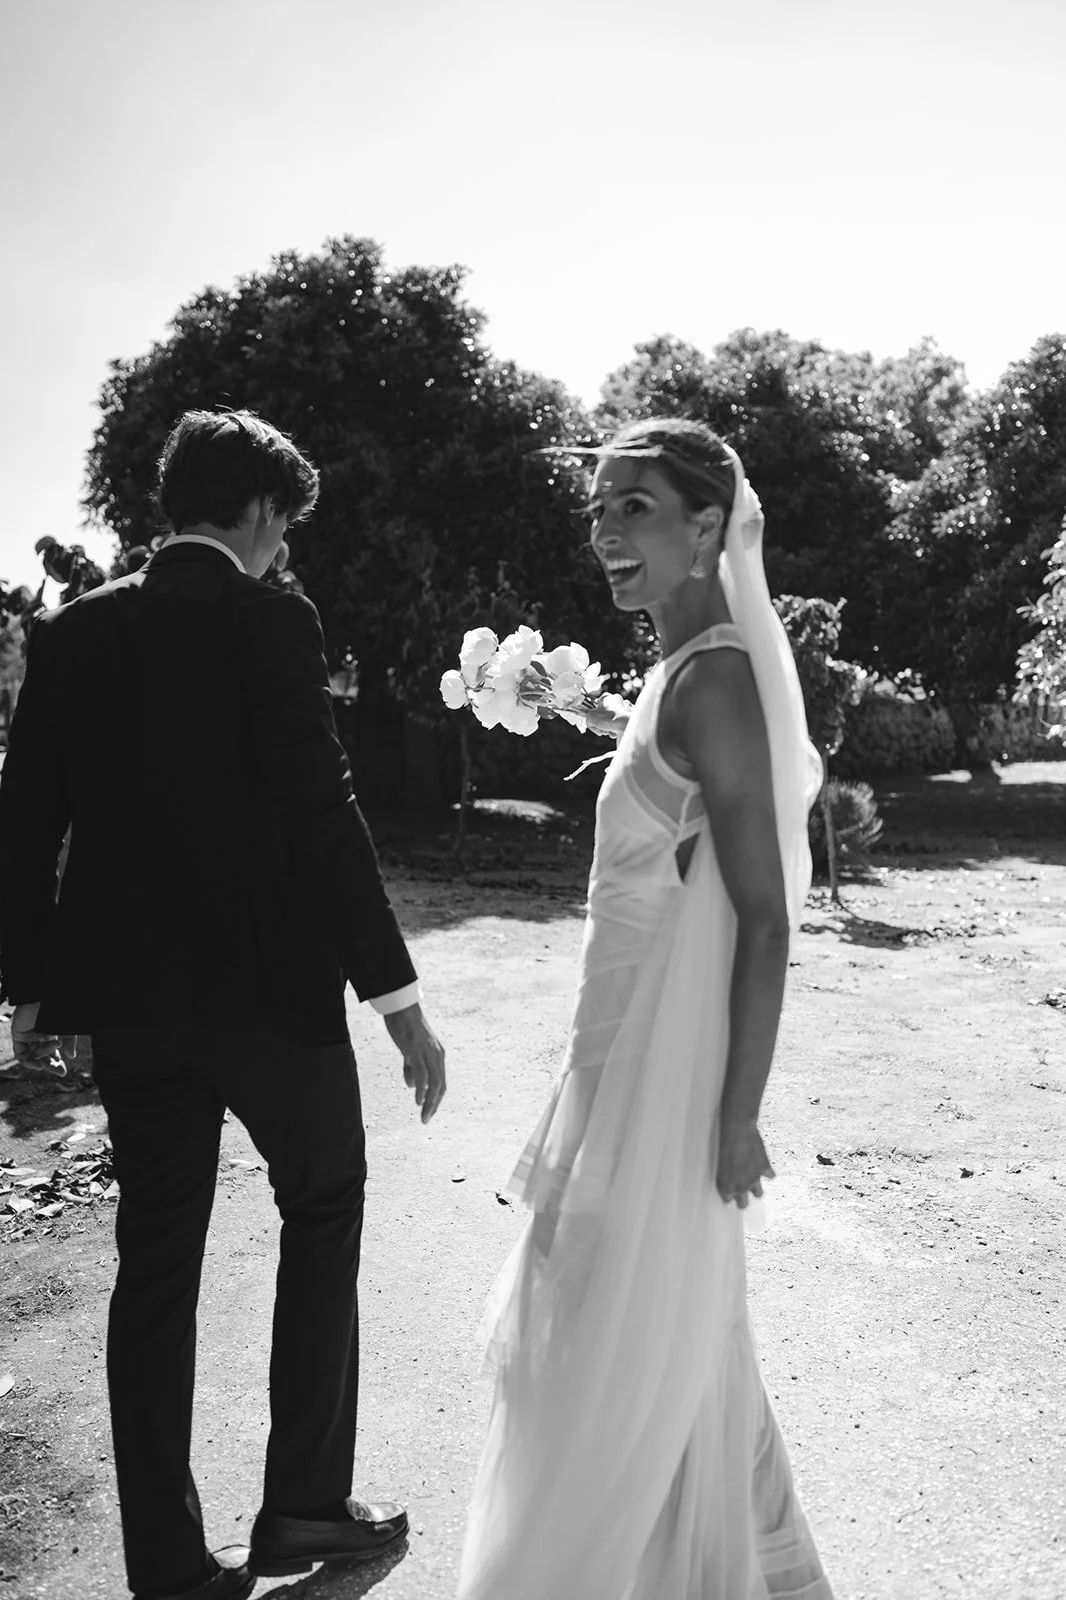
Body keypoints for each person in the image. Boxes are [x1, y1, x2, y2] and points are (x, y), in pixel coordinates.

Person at [0, 409, 447, 1600]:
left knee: (154, 1264)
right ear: (256, 512)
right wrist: (395, 996)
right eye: (284, 525)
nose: (284, 549)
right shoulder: (270, 619)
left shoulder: (72, 633)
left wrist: (29, 997)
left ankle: (166, 1562)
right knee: (325, 1201)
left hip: (131, 1008)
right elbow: (319, 813)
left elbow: (25, 817)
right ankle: (303, 1504)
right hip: (272, 1001)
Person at [458, 419, 833, 1599]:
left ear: (710, 525)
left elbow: (766, 918)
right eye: (599, 510)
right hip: (608, 1055)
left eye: (637, 510)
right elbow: (667, 800)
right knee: (664, 1347)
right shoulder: (679, 675)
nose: (607, 534)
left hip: (661, 1091)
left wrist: (736, 1115)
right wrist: (574, 711)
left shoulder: (717, 675)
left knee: (603, 1355)